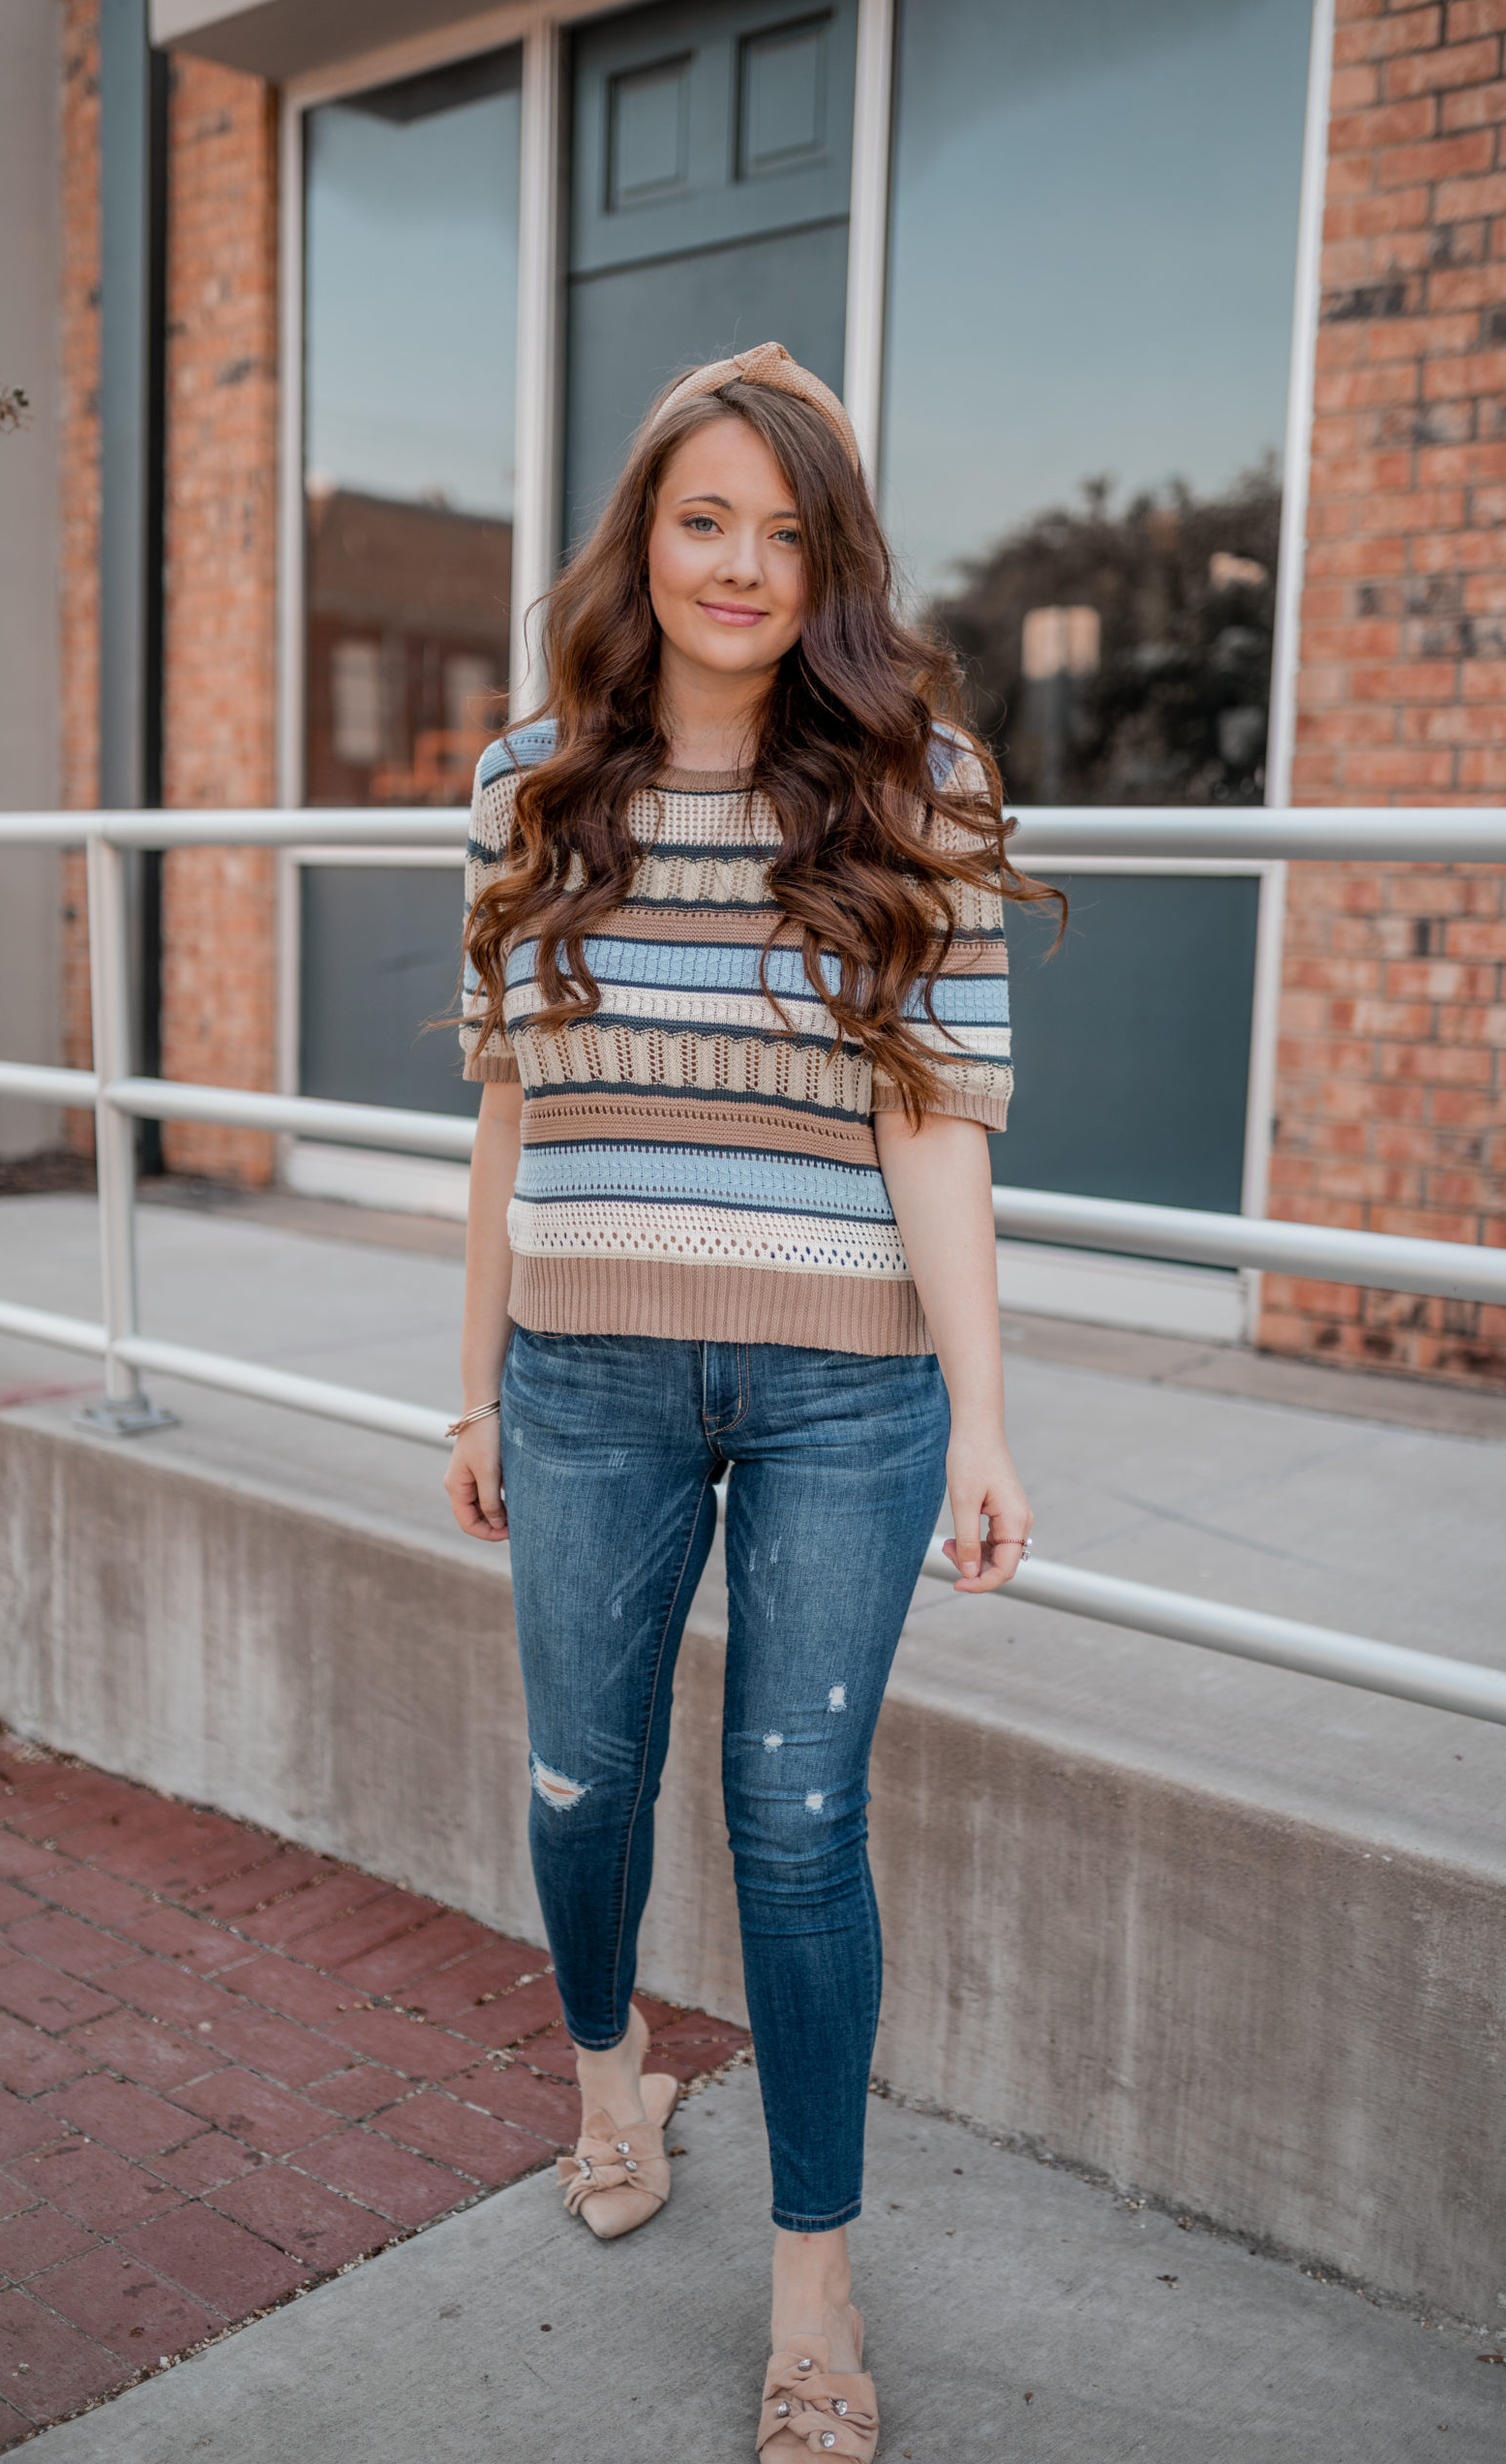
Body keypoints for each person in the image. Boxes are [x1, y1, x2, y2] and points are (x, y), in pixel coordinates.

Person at [444, 342, 1051, 2458]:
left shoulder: (917, 782)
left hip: (845, 1391)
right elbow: (507, 1115)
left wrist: (983, 1419)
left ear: (837, 562)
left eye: (789, 532)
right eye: (705, 517)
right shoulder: (527, 778)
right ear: (641, 532)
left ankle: (813, 2282)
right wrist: (472, 1390)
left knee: (795, 1820)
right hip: (585, 1371)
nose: (742, 565)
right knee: (577, 1778)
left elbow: (934, 1125)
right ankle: (610, 2072)